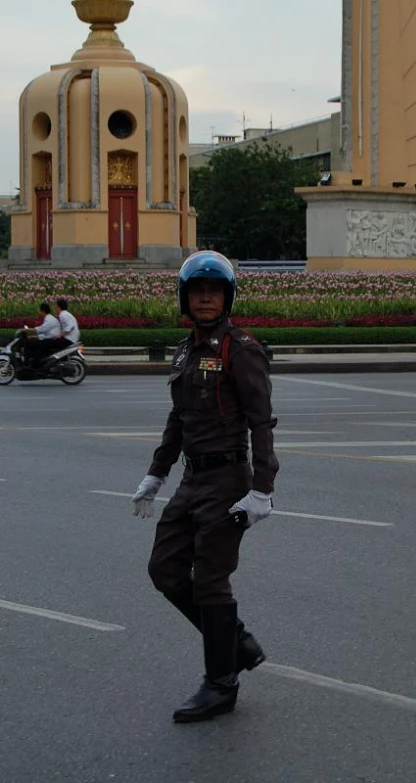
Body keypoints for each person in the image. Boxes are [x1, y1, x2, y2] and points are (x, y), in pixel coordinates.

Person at [132, 250, 279, 724]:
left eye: (214, 291)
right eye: (198, 291)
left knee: (212, 581)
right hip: (193, 478)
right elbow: (179, 418)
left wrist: (262, 488)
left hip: (228, 480)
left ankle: (221, 684)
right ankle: (234, 642)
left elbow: (261, 423)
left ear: (228, 297)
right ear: (185, 297)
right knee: (164, 570)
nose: (206, 298)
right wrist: (157, 473)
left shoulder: (242, 349)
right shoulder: (185, 350)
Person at [23, 302, 61, 366]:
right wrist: (36, 337)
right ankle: (34, 363)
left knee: (29, 343)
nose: (38, 311)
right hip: (50, 339)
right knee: (33, 342)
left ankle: (33, 364)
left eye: (39, 310)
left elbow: (41, 329)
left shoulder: (49, 319)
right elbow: (44, 332)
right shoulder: (48, 318)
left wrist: (27, 330)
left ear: (42, 311)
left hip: (52, 340)